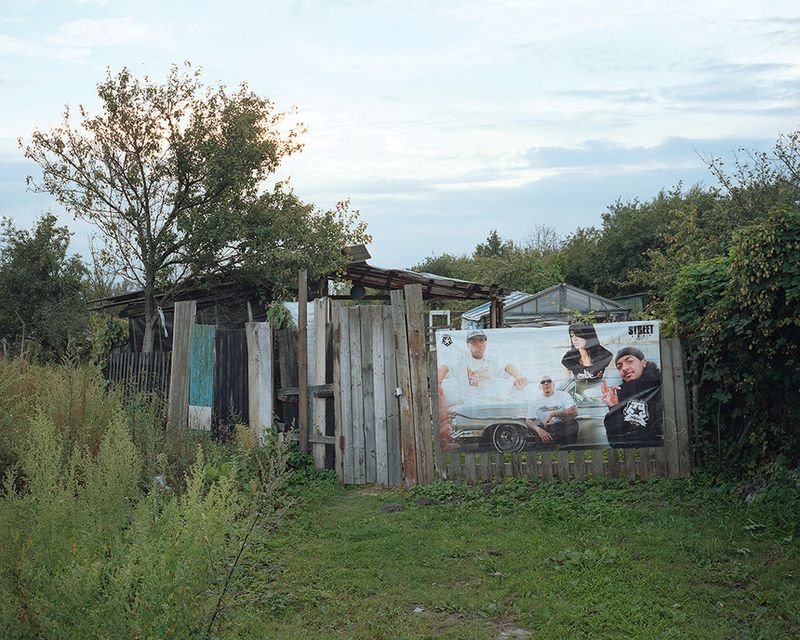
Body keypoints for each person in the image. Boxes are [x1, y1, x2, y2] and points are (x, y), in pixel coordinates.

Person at [600, 347, 664, 448]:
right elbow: (616, 441)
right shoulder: (621, 394)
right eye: (619, 367)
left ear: (643, 363)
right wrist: (614, 408)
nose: (624, 368)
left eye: (630, 361)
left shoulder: (661, 386)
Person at [437, 329, 528, 393]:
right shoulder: (461, 360)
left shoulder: (492, 359)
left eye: (481, 341)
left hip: (488, 402)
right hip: (466, 403)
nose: (478, 345)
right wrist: (438, 382)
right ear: (468, 345)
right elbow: (445, 367)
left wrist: (518, 376)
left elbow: (507, 366)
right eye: (473, 342)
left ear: (486, 343)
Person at [526, 375, 579, 446]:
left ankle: (559, 443)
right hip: (546, 428)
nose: (546, 383)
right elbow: (529, 421)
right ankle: (550, 441)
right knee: (529, 430)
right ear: (539, 387)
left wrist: (553, 414)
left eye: (549, 381)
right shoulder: (534, 400)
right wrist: (539, 431)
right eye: (543, 382)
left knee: (573, 423)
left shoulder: (564, 395)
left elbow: (574, 412)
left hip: (562, 427)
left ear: (553, 384)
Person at [561, 324, 612, 390]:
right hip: (579, 394)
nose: (574, 339)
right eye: (572, 335)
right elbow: (566, 383)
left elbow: (611, 380)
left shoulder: (605, 355)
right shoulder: (569, 358)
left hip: (600, 392)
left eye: (578, 335)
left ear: (588, 336)